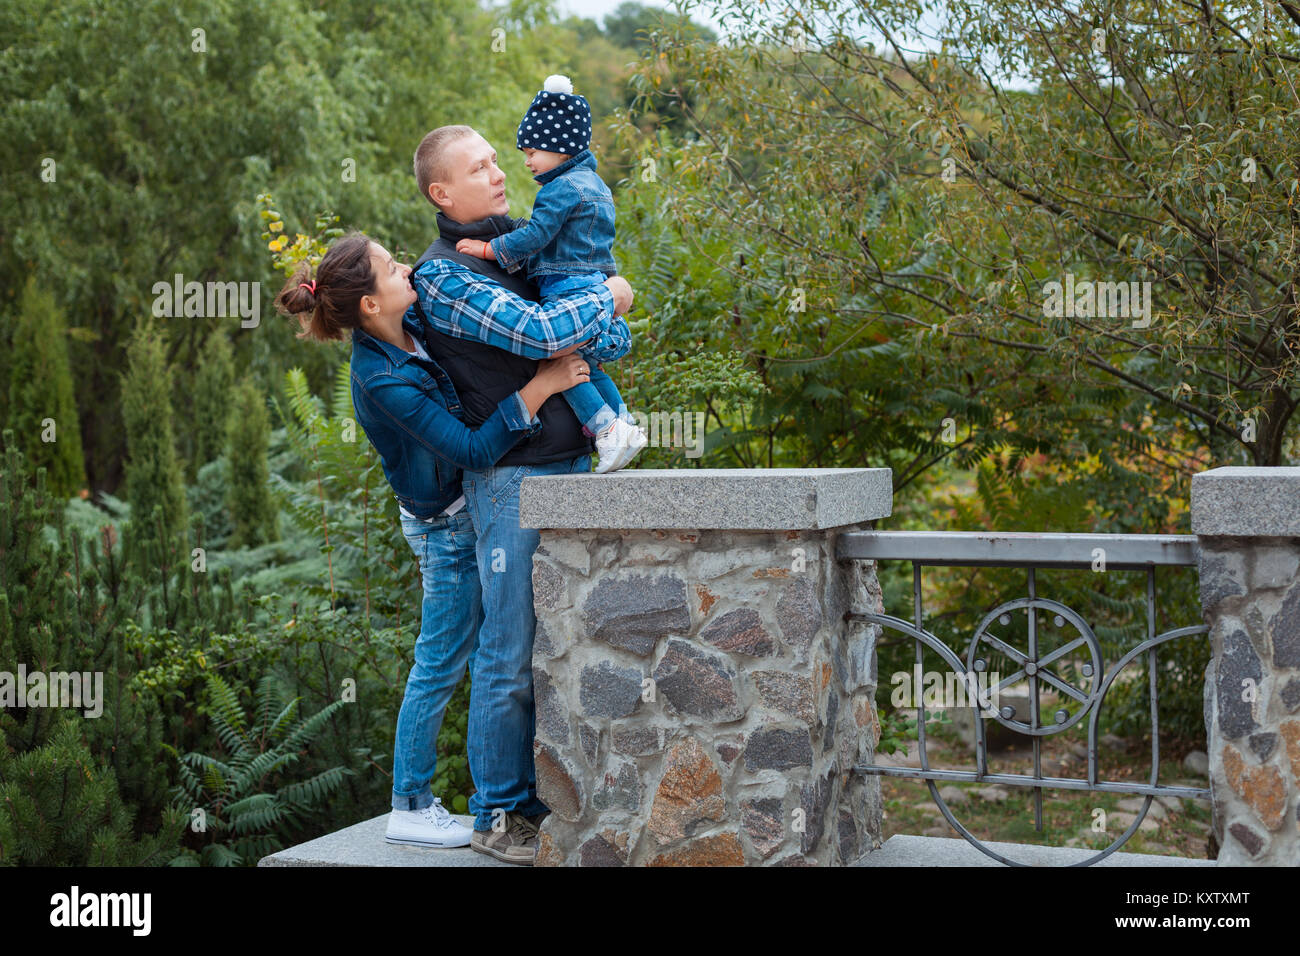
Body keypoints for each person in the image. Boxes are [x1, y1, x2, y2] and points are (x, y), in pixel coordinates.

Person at [273, 232, 606, 853]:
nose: (407, 267)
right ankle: (410, 803)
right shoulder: (381, 382)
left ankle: (470, 799)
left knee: (480, 653)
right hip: (444, 525)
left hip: (469, 504)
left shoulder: (416, 322)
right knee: (444, 658)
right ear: (371, 305)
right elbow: (475, 450)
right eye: (391, 267)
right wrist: (543, 382)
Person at [408, 123, 634, 863]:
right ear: (443, 192)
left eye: (499, 160)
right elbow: (544, 335)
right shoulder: (443, 275)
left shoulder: (522, 243)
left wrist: (598, 304)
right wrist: (609, 293)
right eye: (479, 167)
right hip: (511, 483)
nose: (500, 173)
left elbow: (610, 343)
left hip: (576, 470)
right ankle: (499, 814)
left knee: (568, 649)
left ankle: (554, 803)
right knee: (506, 655)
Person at [454, 74, 646, 474]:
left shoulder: (559, 189)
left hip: (566, 287)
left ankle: (606, 428)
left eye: (531, 151)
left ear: (559, 148)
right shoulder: (597, 186)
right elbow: (601, 249)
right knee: (591, 367)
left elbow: (537, 235)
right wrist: (609, 294)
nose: (525, 162)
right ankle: (623, 421)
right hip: (593, 283)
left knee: (562, 356)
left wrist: (491, 249)